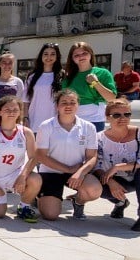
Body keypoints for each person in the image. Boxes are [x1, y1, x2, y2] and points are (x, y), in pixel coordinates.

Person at [95, 99, 140, 232]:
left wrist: (117, 167)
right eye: (117, 115)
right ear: (107, 117)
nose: (123, 118)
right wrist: (110, 182)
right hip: (118, 179)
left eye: (127, 114)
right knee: (94, 184)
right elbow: (97, 165)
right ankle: (121, 202)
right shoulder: (99, 138)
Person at [34, 89, 102, 221]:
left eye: (72, 102)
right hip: (51, 172)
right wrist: (69, 169)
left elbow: (92, 157)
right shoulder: (46, 126)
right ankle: (39, 196)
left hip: (76, 173)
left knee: (94, 190)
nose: (68, 106)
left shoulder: (88, 127)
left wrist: (80, 172)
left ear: (78, 105)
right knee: (50, 215)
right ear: (57, 106)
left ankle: (79, 202)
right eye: (64, 102)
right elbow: (41, 156)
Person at [0, 96, 41, 221]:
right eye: (7, 109)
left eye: (15, 109)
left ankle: (24, 207)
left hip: (14, 175)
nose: (12, 112)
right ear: (0, 112)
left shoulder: (26, 132)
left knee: (36, 179)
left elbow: (33, 158)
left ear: (19, 112)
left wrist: (23, 176)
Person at [63, 42, 116, 132]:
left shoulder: (103, 73)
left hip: (95, 119)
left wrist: (95, 83)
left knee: (93, 146)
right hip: (73, 118)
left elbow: (111, 98)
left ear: (90, 54)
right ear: (72, 59)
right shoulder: (68, 77)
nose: (81, 57)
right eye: (76, 55)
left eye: (84, 53)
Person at [24, 43, 63, 130]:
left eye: (53, 54)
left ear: (57, 57)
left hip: (56, 125)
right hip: (34, 124)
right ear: (41, 56)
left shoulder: (62, 76)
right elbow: (25, 101)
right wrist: (25, 118)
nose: (49, 57)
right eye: (46, 54)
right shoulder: (31, 77)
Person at [0, 53, 25, 124]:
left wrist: (20, 119)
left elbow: (20, 102)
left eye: (10, 63)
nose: (7, 65)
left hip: (12, 118)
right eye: (4, 62)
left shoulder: (18, 82)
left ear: (13, 64)